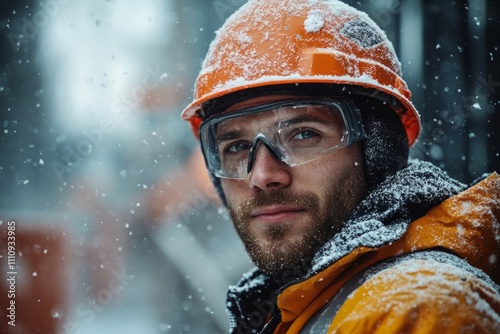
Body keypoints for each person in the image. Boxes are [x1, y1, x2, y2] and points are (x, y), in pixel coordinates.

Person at [180, 0, 500, 332]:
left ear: (379, 151)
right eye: (237, 146)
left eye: (304, 134)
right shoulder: (312, 305)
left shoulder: (415, 311)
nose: (262, 175)